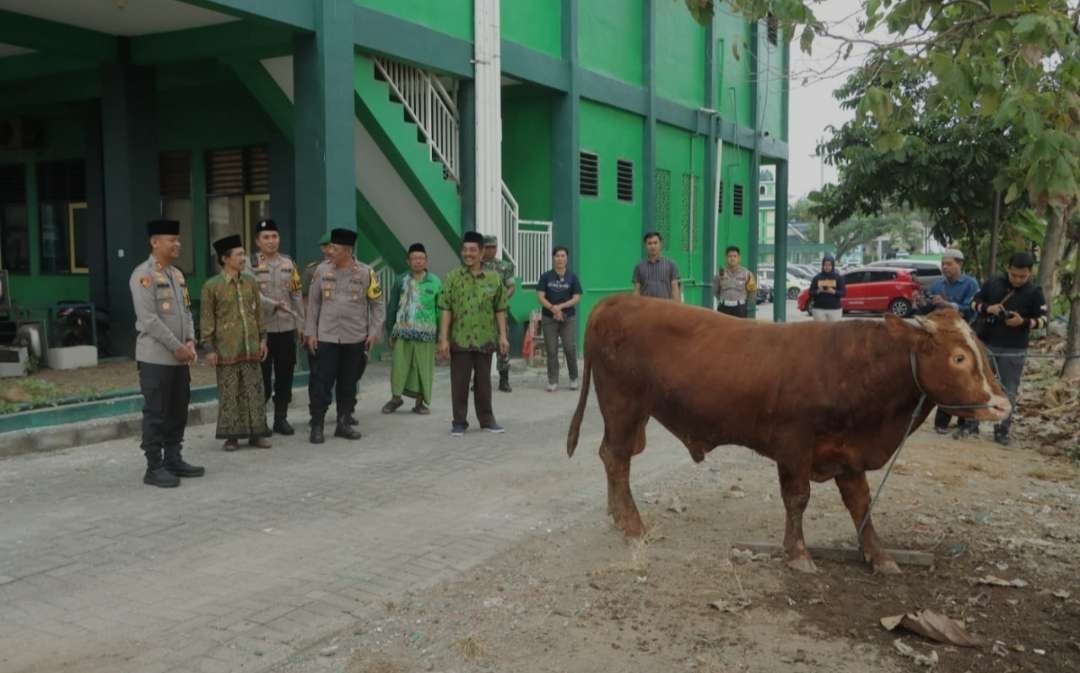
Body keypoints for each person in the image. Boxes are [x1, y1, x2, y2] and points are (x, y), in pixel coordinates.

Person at [129, 218, 204, 488]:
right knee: (156, 412)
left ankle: (174, 458)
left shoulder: (177, 274)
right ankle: (154, 466)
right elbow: (149, 320)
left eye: (178, 240)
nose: (177, 244)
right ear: (154, 242)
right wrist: (178, 347)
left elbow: (186, 311)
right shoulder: (143, 274)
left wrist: (191, 340)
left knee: (177, 410)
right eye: (172, 240)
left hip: (180, 358)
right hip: (156, 358)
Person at [304, 228, 385, 444]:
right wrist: (310, 332)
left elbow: (378, 305)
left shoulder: (367, 273)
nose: (329, 251)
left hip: (355, 337)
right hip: (327, 337)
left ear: (348, 251)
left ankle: (343, 423)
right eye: (330, 247)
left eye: (334, 248)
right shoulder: (321, 271)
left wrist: (374, 332)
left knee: (348, 383)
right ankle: (318, 425)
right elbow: (313, 304)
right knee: (322, 382)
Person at [962, 251, 1048, 445]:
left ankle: (1002, 430)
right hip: (986, 343)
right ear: (1008, 269)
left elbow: (1043, 321)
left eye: (1022, 276)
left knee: (1008, 389)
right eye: (1014, 275)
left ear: (1030, 274)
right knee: (978, 383)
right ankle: (971, 423)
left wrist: (1023, 321)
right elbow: (973, 302)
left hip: (1014, 349)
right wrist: (988, 308)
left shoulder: (1035, 292)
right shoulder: (993, 283)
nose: (1017, 280)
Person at [201, 235, 272, 451]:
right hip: (226, 349)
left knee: (254, 390)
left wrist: (262, 339)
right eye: (239, 254)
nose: (244, 258)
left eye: (243, 254)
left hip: (251, 346)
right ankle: (231, 437)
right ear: (225, 259)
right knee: (230, 392)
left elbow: (258, 313)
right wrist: (209, 348)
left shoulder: (250, 281)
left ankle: (257, 434)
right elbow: (206, 319)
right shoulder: (211, 286)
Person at [438, 231, 510, 437]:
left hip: (485, 338)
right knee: (459, 383)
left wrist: (503, 336)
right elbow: (445, 309)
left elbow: (500, 309)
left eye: (472, 250)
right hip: (460, 338)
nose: (468, 254)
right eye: (465, 250)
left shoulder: (494, 279)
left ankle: (487, 420)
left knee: (484, 383)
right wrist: (443, 339)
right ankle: (459, 422)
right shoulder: (452, 278)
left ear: (481, 253)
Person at [916, 249, 981, 434]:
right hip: (943, 340)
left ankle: (965, 421)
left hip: (963, 338)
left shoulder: (970, 284)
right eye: (943, 264)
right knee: (945, 377)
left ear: (960, 264)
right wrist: (920, 302)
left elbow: (972, 308)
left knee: (964, 377)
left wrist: (949, 305)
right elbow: (926, 307)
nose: (945, 267)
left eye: (949, 264)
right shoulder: (937, 285)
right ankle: (942, 421)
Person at [250, 219, 304, 436]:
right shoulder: (249, 265)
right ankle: (259, 420)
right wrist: (273, 305)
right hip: (261, 330)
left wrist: (301, 324)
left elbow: (297, 294)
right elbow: (252, 295)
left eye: (274, 237)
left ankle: (281, 418)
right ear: (257, 241)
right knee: (261, 377)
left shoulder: (288, 264)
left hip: (286, 328)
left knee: (285, 374)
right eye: (266, 237)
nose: (271, 241)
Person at [382, 243, 442, 415]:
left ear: (426, 260)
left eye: (421, 258)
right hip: (402, 332)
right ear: (408, 261)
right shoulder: (400, 280)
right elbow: (392, 307)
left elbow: (441, 310)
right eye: (414, 259)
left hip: (427, 334)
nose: (418, 261)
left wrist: (441, 336)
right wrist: (390, 331)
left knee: (424, 368)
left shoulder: (436, 282)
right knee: (399, 366)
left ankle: (420, 403)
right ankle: (396, 398)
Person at [536, 246, 583, 392]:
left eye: (563, 256)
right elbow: (540, 296)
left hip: (568, 317)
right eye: (557, 256)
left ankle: (573, 378)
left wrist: (560, 307)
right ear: (553, 258)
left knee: (569, 348)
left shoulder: (572, 277)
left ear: (567, 258)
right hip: (549, 317)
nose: (560, 259)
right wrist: (553, 308)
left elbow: (577, 297)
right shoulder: (546, 276)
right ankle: (552, 380)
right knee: (551, 349)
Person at [482, 235, 516, 392]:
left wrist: (501, 300)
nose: (490, 250)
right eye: (487, 247)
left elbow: (511, 287)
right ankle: (480, 380)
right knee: (480, 347)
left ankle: (504, 380)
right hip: (480, 315)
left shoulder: (505, 266)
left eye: (493, 247)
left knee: (503, 347)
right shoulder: (477, 266)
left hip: (500, 314)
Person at [632, 231, 681, 301]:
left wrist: (677, 308)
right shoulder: (639, 267)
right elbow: (636, 291)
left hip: (665, 307)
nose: (653, 246)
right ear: (645, 245)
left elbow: (675, 290)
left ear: (660, 244)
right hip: (646, 308)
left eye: (655, 243)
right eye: (649, 243)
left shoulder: (671, 265)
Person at [712, 245, 757, 317]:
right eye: (730, 256)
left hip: (740, 308)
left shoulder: (747, 273)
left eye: (735, 256)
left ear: (739, 258)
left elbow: (752, 291)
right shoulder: (720, 273)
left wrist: (746, 306)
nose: (732, 258)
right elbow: (715, 290)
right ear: (726, 258)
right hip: (723, 308)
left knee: (740, 328)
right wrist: (724, 300)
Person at [809, 253, 846, 321]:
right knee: (820, 331)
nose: (827, 267)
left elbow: (843, 293)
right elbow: (810, 292)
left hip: (835, 310)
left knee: (834, 331)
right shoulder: (817, 278)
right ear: (822, 265)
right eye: (825, 265)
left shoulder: (838, 277)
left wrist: (833, 291)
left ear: (832, 266)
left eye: (829, 265)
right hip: (819, 310)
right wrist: (818, 291)